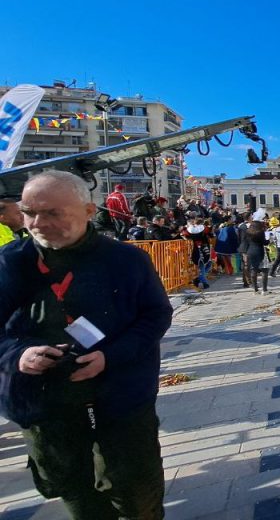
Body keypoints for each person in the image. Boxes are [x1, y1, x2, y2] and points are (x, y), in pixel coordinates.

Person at [0, 171, 170, 519]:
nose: (38, 223)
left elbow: (156, 316)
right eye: (29, 212)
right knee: (72, 487)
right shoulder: (9, 261)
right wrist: (19, 355)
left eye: (52, 213)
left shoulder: (127, 260)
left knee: (136, 488)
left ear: (89, 211)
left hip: (121, 395)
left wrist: (110, 356)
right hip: (47, 401)